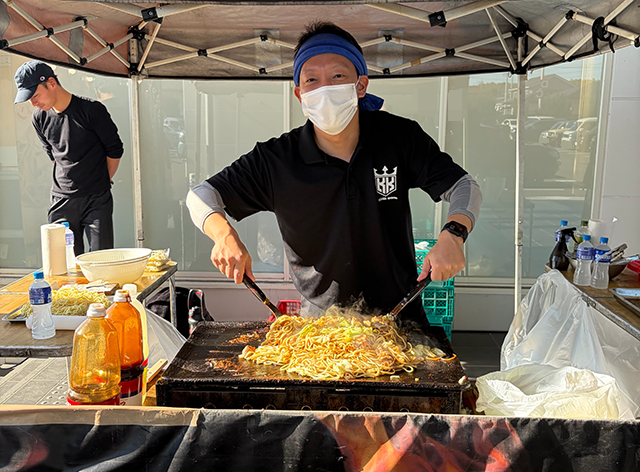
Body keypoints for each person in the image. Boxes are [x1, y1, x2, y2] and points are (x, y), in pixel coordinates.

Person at [187, 22, 481, 327]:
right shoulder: (276, 159)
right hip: (321, 328)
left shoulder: (398, 137)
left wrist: (454, 234)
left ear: (361, 85)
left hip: (400, 317)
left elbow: (464, 186)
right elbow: (201, 196)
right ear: (300, 94)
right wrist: (224, 235)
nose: (324, 89)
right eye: (311, 79)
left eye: (338, 76)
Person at [14, 61, 124, 256]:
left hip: (96, 199)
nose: (33, 103)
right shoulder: (39, 118)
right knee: (64, 264)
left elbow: (115, 150)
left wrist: (101, 180)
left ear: (51, 83)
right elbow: (53, 156)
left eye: (35, 95)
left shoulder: (92, 110)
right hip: (61, 200)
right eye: (29, 99)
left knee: (101, 261)